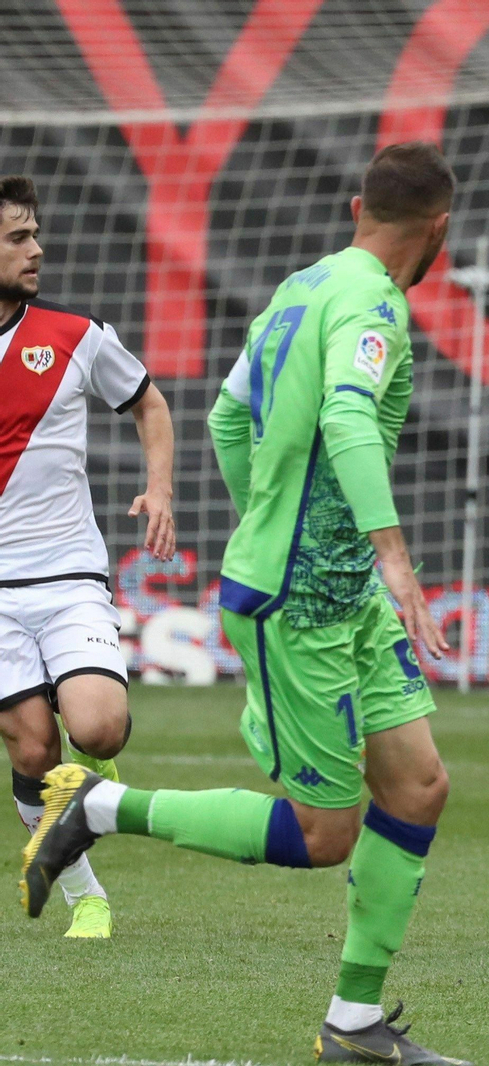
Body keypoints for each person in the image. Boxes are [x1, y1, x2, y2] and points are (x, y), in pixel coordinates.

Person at [20, 144, 469, 1066]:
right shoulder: (374, 300)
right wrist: (391, 556)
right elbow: (346, 416)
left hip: (336, 596)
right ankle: (102, 808)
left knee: (419, 785)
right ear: (439, 233)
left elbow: (228, 417)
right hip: (302, 601)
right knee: (324, 834)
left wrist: (265, 515)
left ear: (356, 208)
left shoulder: (299, 288)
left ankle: (353, 1025)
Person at [0, 175, 175, 939]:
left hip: (69, 572)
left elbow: (148, 401)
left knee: (97, 730)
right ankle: (86, 897)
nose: (36, 249)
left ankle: (91, 788)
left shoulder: (75, 335)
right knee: (33, 744)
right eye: (17, 237)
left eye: (34, 233)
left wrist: (160, 488)